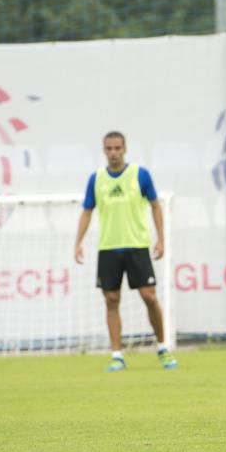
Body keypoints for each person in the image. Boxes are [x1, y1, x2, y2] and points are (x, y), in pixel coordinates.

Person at [74, 131, 178, 372]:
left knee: (149, 296)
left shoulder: (140, 175)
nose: (113, 153)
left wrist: (160, 239)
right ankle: (117, 355)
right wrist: (78, 242)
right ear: (104, 150)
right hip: (109, 248)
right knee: (111, 300)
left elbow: (155, 206)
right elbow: (87, 211)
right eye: (109, 149)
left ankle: (162, 347)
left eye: (117, 148)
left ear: (125, 149)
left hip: (137, 245)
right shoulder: (96, 179)